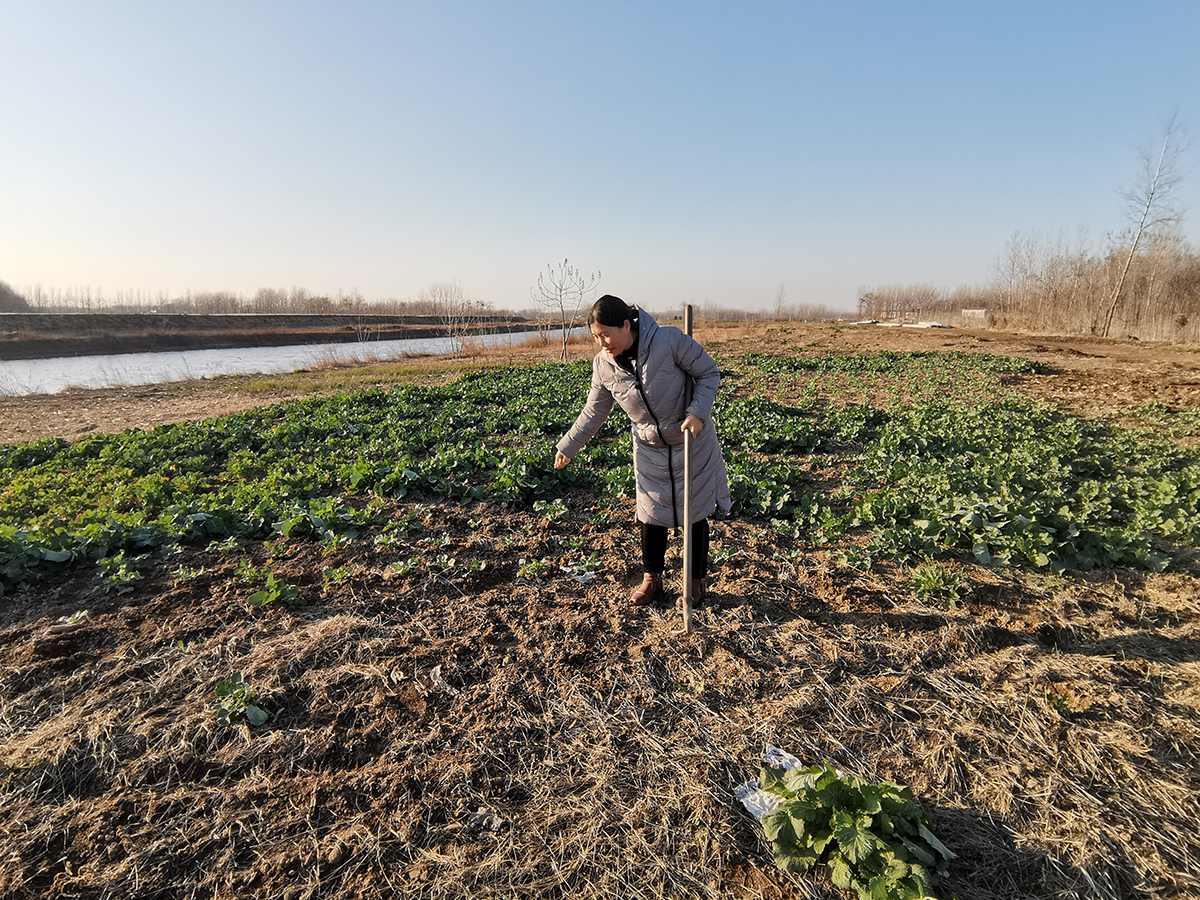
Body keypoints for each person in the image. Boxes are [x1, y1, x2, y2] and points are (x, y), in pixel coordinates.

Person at [554, 295, 731, 607]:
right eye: (596, 337)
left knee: (694, 512)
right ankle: (652, 579)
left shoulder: (669, 340)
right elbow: (594, 412)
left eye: (606, 334)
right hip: (649, 447)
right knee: (651, 515)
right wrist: (568, 446)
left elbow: (708, 373)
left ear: (626, 325)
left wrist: (697, 413)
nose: (601, 343)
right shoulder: (604, 365)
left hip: (690, 438)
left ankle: (695, 581)